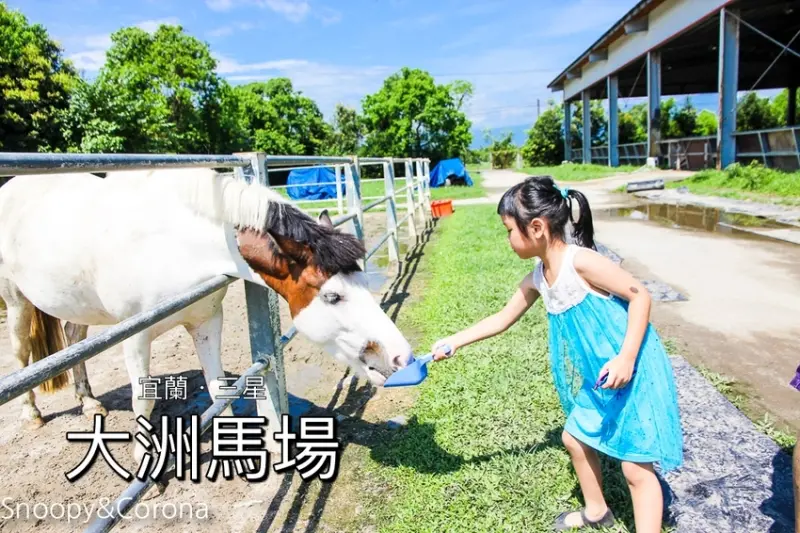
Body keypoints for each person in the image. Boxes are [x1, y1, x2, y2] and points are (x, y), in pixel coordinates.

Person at [430, 176, 684, 532]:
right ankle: (597, 511)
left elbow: (640, 294)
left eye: (508, 231)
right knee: (574, 437)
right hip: (600, 375)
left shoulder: (581, 262)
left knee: (636, 468)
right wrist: (455, 340)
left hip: (633, 365)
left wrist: (626, 358)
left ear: (536, 228)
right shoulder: (539, 276)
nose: (507, 240)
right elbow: (503, 318)